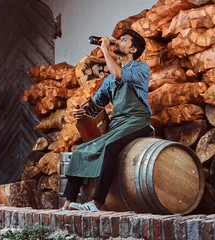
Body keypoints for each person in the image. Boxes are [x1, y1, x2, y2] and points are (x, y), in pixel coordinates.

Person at [62, 29, 154, 211]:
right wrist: (83, 114)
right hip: (117, 125)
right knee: (81, 150)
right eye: (117, 40)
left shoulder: (141, 68)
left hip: (137, 122)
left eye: (124, 40)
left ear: (133, 49)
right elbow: (96, 106)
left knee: (111, 148)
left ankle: (97, 203)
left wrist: (104, 50)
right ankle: (67, 204)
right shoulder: (109, 80)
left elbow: (120, 75)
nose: (117, 42)